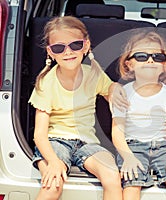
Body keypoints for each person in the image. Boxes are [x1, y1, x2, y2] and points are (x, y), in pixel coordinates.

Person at [29, 16, 123, 200]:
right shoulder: (46, 83)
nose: (68, 52)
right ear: (50, 52)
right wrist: (54, 161)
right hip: (55, 142)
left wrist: (116, 87)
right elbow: (39, 135)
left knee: (112, 176)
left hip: (87, 143)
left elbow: (110, 89)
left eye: (75, 45)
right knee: (53, 182)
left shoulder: (93, 74)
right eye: (59, 47)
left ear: (86, 46)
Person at [111, 30, 166, 200]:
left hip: (164, 147)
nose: (150, 60)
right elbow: (117, 131)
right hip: (132, 148)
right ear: (129, 64)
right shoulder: (123, 93)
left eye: (158, 57)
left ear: (165, 64)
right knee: (132, 184)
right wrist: (128, 157)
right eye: (141, 56)